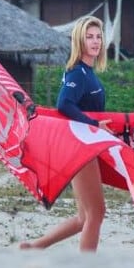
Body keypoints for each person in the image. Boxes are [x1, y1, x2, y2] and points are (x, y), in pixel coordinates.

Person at [20, 15, 113, 253]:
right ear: (79, 41)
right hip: (80, 147)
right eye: (89, 37)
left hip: (84, 145)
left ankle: (34, 246)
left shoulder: (88, 72)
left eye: (98, 37)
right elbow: (64, 104)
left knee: (84, 217)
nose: (95, 42)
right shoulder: (77, 73)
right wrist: (93, 124)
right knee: (96, 213)